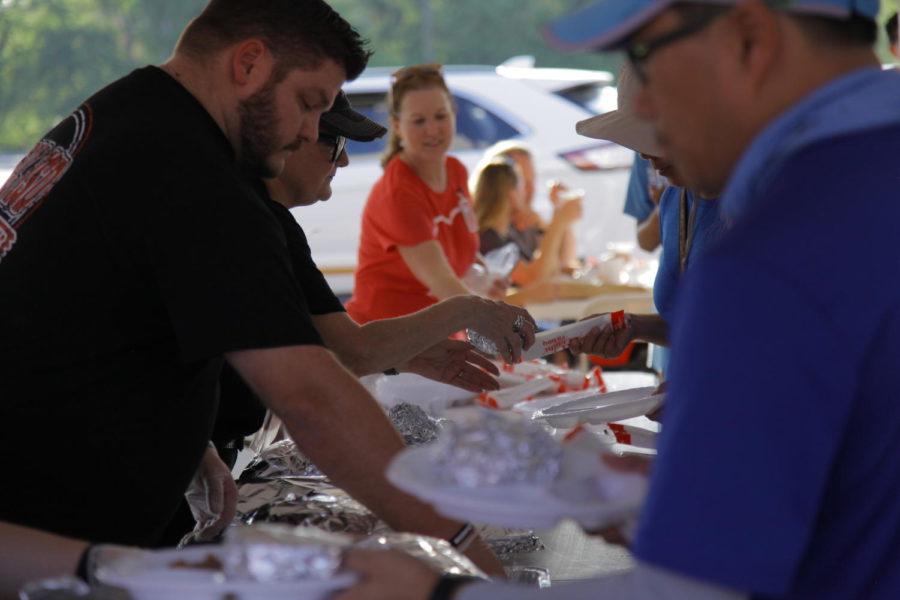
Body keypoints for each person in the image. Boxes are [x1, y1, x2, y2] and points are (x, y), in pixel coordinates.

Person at [334, 0, 900, 598]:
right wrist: (659, 498)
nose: (648, 111)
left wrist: (436, 592)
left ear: (748, 36)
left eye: (646, 61)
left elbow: (693, 589)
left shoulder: (771, 252)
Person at [0, 2, 520, 593]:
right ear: (248, 63)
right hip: (47, 547)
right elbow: (310, 397)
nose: (309, 132)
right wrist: (464, 551)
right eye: (309, 103)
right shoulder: (193, 171)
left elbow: (86, 311)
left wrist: (182, 437)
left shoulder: (128, 114)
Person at [346, 64, 502, 324]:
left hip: (436, 331)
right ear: (397, 126)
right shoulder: (398, 191)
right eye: (419, 121)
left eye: (441, 116)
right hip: (388, 336)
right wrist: (493, 320)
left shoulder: (456, 171)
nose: (432, 129)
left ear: (454, 114)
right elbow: (440, 281)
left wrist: (482, 281)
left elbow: (458, 252)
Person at [477, 140, 583, 277]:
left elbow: (563, 262)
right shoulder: (488, 237)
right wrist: (558, 222)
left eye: (533, 181)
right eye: (524, 183)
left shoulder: (522, 223)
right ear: (510, 190)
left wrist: (560, 220)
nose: (531, 190)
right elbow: (534, 279)